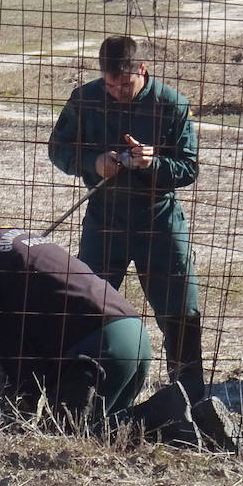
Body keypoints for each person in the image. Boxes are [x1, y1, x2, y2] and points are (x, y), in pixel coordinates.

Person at [47, 35, 205, 404]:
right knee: (86, 311)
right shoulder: (84, 99)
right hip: (105, 220)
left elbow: (188, 168)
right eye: (110, 84)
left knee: (181, 314)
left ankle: (188, 399)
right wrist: (94, 162)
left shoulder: (172, 105)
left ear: (143, 71)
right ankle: (82, 398)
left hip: (160, 222)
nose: (117, 91)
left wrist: (154, 164)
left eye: (125, 84)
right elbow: (58, 148)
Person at [0, 207, 151, 420]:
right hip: (135, 336)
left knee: (73, 441)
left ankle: (173, 419)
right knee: (112, 435)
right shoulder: (14, 242)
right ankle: (172, 416)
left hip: (100, 347)